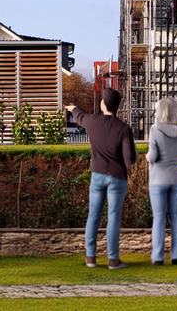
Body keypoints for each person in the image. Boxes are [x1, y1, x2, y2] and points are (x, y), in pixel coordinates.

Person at [66, 87, 137, 270]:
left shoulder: (92, 121)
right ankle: (113, 260)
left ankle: (91, 258)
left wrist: (72, 107)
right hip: (117, 178)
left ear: (102, 104)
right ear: (117, 107)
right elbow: (130, 160)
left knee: (93, 216)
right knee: (113, 216)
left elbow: (80, 115)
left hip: (97, 176)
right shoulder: (124, 129)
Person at [147, 96, 177, 266]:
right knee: (175, 217)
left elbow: (153, 156)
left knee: (159, 218)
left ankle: (158, 257)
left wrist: (147, 156)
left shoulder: (155, 130)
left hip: (158, 178)